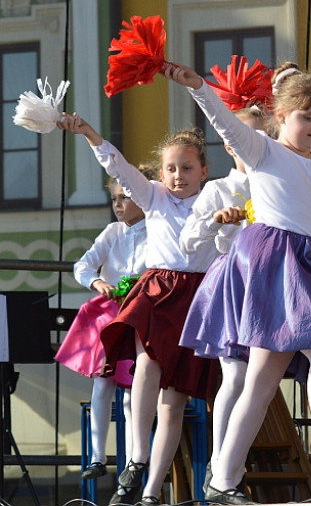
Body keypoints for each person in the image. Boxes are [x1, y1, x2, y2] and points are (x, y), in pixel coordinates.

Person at [167, 59, 311, 504]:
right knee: (308, 358)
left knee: (281, 371)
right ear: (280, 116)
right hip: (274, 259)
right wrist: (199, 86)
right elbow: (222, 119)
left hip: (308, 259)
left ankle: (224, 479)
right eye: (306, 117)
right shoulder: (261, 149)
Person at [58, 116, 219, 506]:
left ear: (204, 171)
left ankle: (148, 491)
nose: (178, 176)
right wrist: (90, 133)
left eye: (186, 168)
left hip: (198, 296)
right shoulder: (153, 197)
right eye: (170, 169)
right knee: (147, 365)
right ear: (161, 173)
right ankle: (136, 458)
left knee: (175, 401)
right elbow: (118, 167)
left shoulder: (215, 198)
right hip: (161, 289)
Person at [178, 105, 270, 492]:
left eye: (261, 136)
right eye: (244, 136)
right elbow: (186, 243)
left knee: (261, 379)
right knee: (234, 373)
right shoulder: (217, 189)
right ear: (231, 145)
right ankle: (219, 466)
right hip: (234, 283)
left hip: (269, 284)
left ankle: (231, 464)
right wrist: (215, 219)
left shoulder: (274, 182)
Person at [55, 173, 152, 480]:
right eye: (115, 198)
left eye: (126, 197)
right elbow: (83, 264)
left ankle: (132, 463)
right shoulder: (112, 232)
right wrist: (98, 281)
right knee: (102, 383)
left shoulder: (158, 229)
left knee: (131, 392)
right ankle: (98, 457)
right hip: (112, 314)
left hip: (140, 314)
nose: (119, 204)